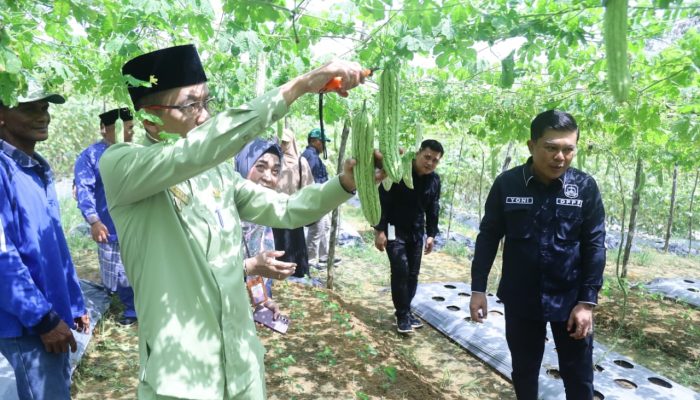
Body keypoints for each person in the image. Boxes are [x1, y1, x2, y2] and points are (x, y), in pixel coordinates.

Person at [98, 44, 372, 400]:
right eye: (190, 105)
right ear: (149, 118)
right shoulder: (123, 166)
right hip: (182, 379)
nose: (204, 115)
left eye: (206, 102)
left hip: (240, 364)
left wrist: (346, 183)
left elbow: (286, 210)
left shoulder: (216, 174)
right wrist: (299, 86)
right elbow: (196, 150)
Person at [469, 110, 606, 400]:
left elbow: (595, 243)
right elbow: (488, 236)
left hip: (570, 301)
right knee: (524, 371)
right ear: (532, 146)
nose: (560, 157)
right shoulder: (507, 184)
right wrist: (478, 288)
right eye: (552, 148)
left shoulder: (584, 187)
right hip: (522, 298)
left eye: (568, 149)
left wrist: (587, 302)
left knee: (579, 377)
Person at [0, 81, 89, 400]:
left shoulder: (33, 168)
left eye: (44, 107)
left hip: (50, 315)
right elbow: (2, 258)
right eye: (28, 107)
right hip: (28, 327)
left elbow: (53, 245)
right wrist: (43, 319)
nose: (43, 115)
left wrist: (74, 301)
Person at [74, 108, 137, 326]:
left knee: (137, 265)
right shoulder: (91, 156)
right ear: (104, 130)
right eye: (123, 128)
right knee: (118, 270)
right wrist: (94, 220)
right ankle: (131, 308)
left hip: (137, 222)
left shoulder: (137, 151)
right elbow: (84, 189)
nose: (130, 132)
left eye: (131, 127)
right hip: (109, 225)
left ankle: (138, 304)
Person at [374, 139, 443, 334]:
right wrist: (379, 230)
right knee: (401, 270)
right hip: (394, 229)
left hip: (416, 232)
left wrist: (431, 234)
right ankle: (402, 314)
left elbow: (433, 208)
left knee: (413, 273)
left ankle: (406, 309)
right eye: (427, 157)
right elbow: (383, 200)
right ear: (418, 153)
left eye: (435, 160)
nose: (429, 163)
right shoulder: (399, 173)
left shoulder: (434, 180)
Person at [235, 138, 290, 317]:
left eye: (275, 171)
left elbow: (254, 259)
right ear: (243, 165)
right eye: (260, 167)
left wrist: (261, 301)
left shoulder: (259, 216)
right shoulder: (220, 208)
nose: (268, 177)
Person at [274, 128, 314, 277]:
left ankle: (297, 273)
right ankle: (279, 272)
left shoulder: (300, 161)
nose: (283, 145)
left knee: (295, 242)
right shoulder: (275, 159)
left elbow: (308, 186)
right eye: (281, 142)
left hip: (294, 209)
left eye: (286, 142)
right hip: (275, 209)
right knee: (279, 242)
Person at [301, 127, 339, 266]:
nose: (324, 145)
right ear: (315, 141)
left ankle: (325, 256)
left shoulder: (313, 155)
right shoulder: (309, 156)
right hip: (315, 197)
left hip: (321, 197)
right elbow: (307, 177)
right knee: (316, 228)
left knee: (325, 226)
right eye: (322, 142)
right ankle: (310, 260)